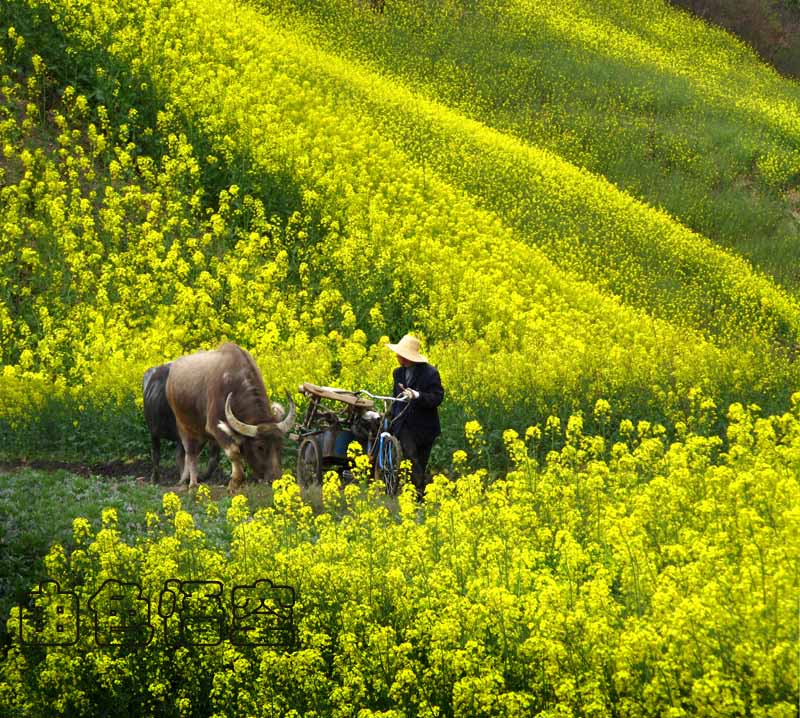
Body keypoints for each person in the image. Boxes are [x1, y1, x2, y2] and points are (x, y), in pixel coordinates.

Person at [387, 334, 444, 498]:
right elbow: (396, 397)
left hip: (425, 426)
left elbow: (437, 397)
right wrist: (391, 416)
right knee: (411, 457)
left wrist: (417, 395)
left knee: (421, 460)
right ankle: (418, 494)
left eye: (401, 354)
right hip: (404, 424)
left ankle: (418, 490)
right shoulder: (397, 373)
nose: (397, 357)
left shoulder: (430, 373)